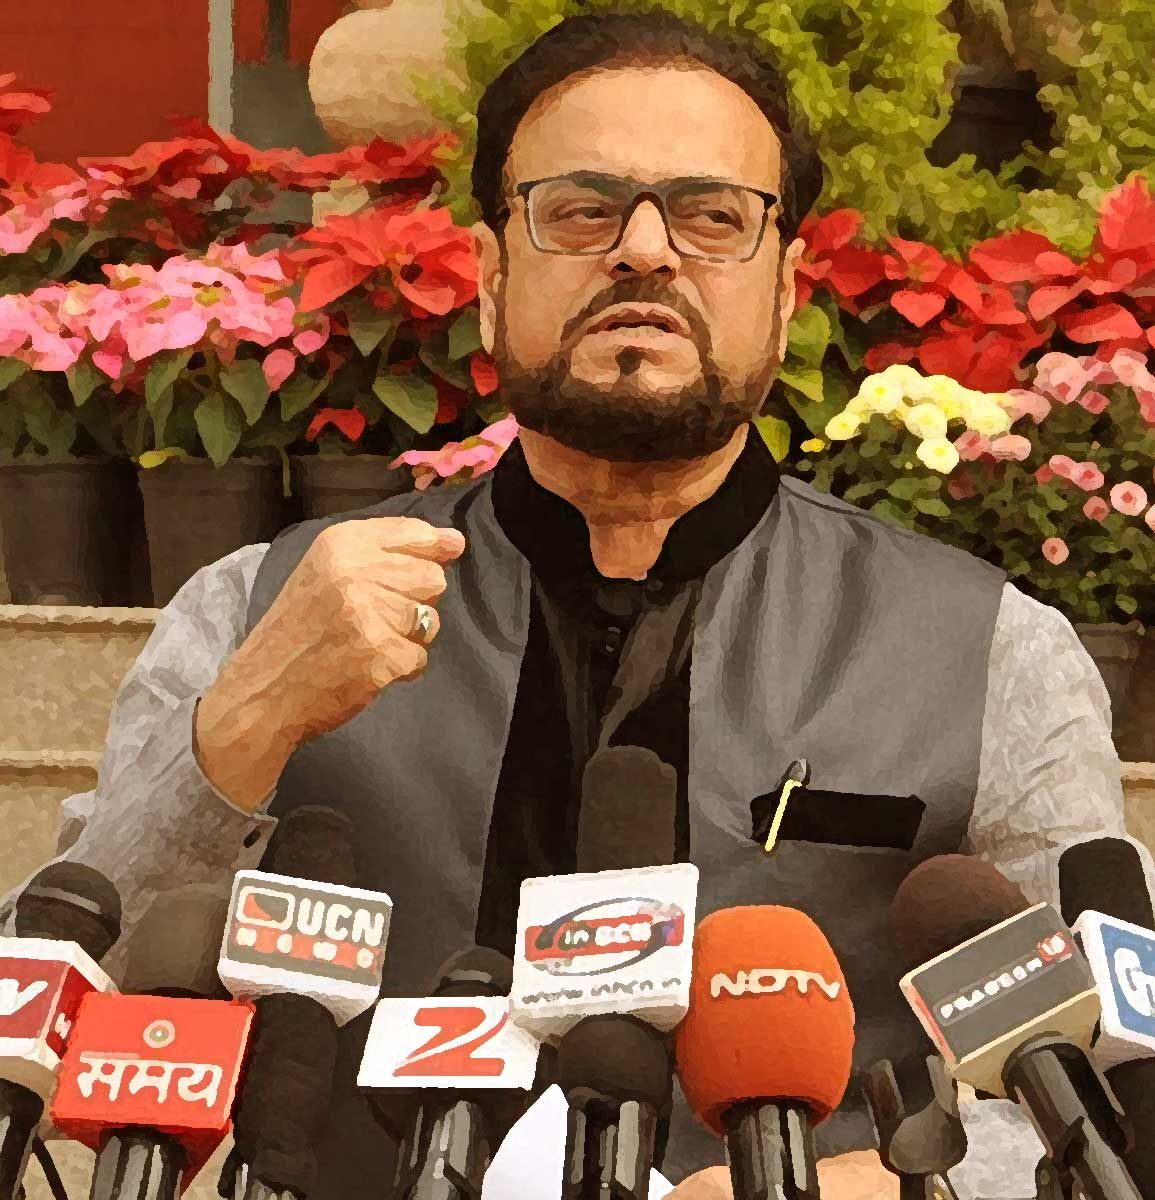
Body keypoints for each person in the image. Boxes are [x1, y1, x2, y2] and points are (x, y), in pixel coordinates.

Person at [3, 11, 1141, 1199]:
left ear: (785, 290)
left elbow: (1113, 1088)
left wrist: (897, 1184)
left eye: (712, 216)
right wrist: (238, 733)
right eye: (583, 211)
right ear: (493, 278)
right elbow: (51, 1020)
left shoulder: (987, 651)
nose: (645, 252)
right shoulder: (258, 609)